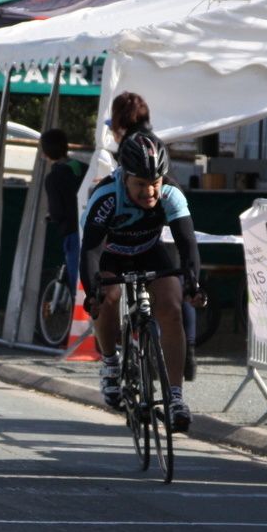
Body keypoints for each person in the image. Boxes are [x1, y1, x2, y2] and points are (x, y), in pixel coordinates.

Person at [80, 132, 204, 431]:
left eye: (155, 183)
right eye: (141, 184)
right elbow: (91, 251)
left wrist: (193, 283)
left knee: (172, 308)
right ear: (125, 178)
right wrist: (93, 292)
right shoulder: (107, 197)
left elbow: (187, 243)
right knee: (107, 296)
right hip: (110, 254)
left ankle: (175, 397)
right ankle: (110, 363)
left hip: (149, 251)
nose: (150, 191)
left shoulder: (171, 193)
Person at [41, 128, 86, 289]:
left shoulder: (53, 178)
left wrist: (51, 216)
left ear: (45, 153)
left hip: (72, 232)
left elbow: (57, 212)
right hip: (93, 229)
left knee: (78, 282)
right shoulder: (83, 168)